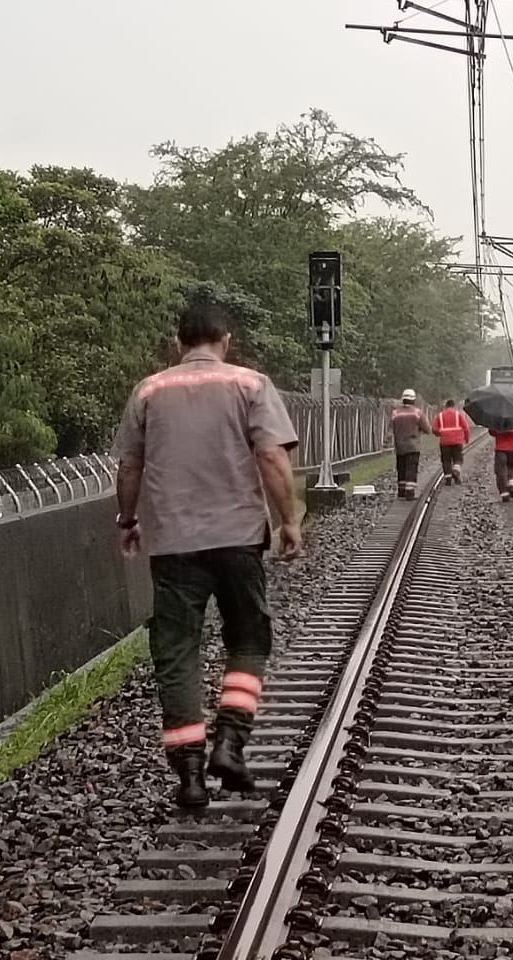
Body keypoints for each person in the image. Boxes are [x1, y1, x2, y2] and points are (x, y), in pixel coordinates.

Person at [111, 297, 302, 809]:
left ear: (179, 342)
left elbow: (129, 466)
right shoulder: (248, 384)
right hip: (238, 537)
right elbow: (271, 456)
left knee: (176, 653)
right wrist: (289, 520)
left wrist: (128, 521)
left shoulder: (149, 390)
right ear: (225, 340)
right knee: (248, 639)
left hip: (173, 544)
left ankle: (190, 775)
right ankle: (231, 743)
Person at [391, 389, 431, 499]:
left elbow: (393, 428)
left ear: (403, 399)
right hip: (413, 446)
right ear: (413, 400)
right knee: (411, 468)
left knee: (401, 468)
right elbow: (427, 429)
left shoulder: (395, 413)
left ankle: (401, 491)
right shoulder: (417, 413)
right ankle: (409, 492)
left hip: (400, 446)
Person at [432, 399, 471, 485]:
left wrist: (440, 434)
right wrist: (467, 438)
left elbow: (434, 429)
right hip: (457, 441)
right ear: (454, 406)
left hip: (445, 442)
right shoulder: (458, 415)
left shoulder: (440, 415)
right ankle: (456, 471)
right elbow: (466, 427)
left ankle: (448, 478)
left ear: (446, 406)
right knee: (458, 458)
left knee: (446, 460)